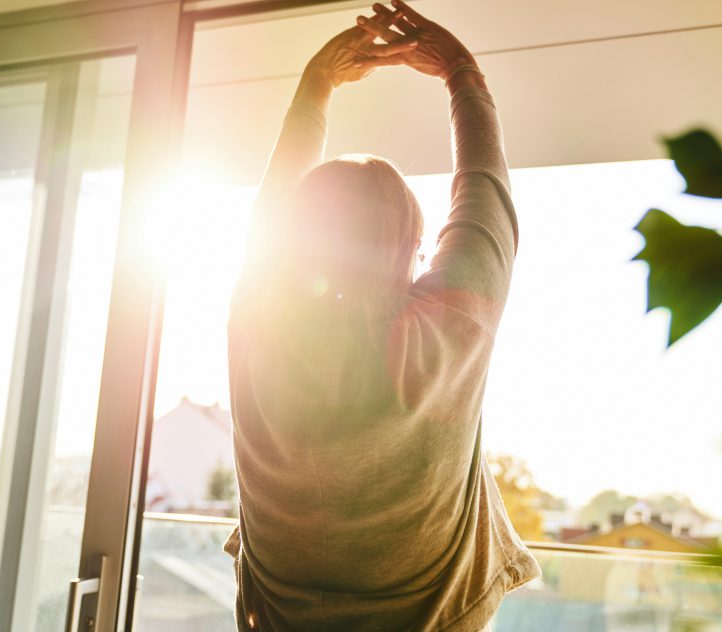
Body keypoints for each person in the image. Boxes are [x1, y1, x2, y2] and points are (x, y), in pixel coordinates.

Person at [223, 2, 541, 630]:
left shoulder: (257, 325)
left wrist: (317, 84)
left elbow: (271, 217)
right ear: (414, 248)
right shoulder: (444, 333)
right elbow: (486, 195)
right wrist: (460, 73)